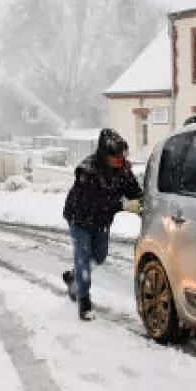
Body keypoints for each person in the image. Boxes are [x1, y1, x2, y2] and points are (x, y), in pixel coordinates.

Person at [61, 129, 142, 320]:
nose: (120, 162)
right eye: (116, 158)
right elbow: (96, 202)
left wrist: (143, 201)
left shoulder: (123, 169)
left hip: (101, 221)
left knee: (99, 257)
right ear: (105, 155)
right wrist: (123, 205)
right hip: (79, 218)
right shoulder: (88, 171)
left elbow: (134, 191)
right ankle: (84, 301)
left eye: (122, 157)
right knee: (82, 257)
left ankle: (74, 277)